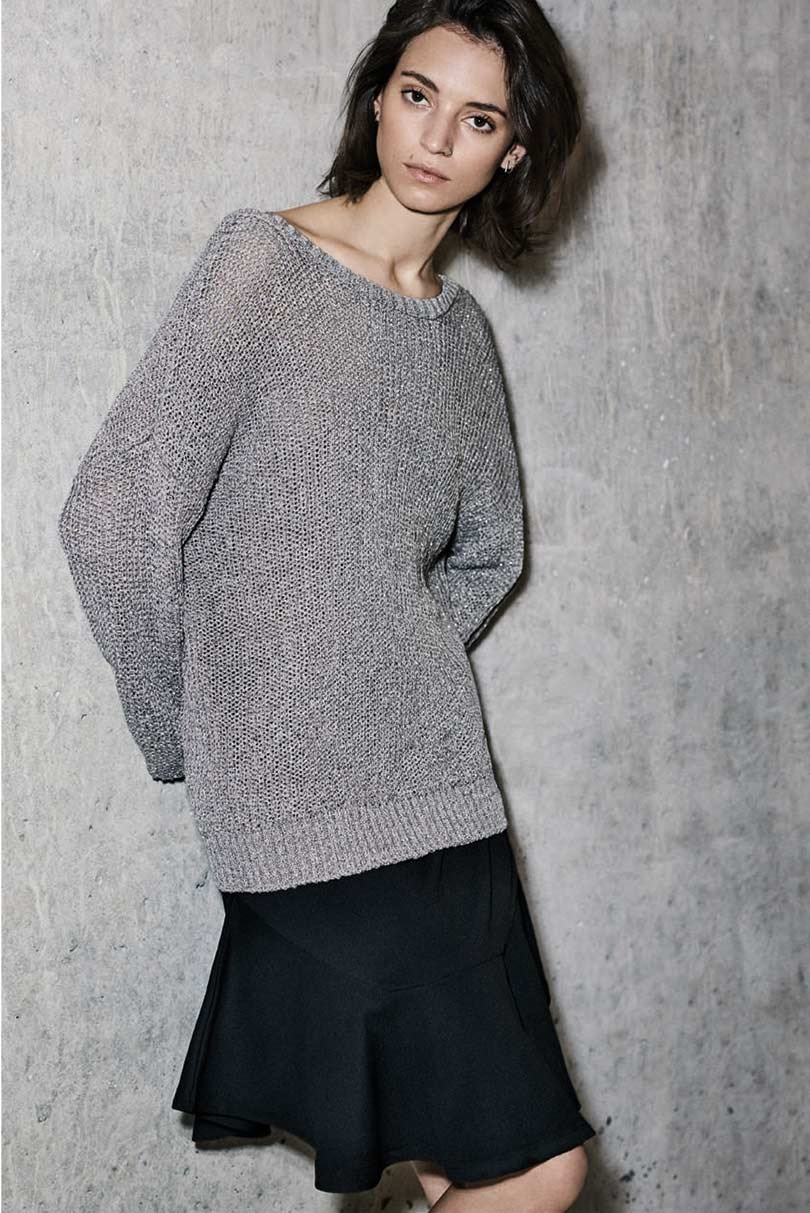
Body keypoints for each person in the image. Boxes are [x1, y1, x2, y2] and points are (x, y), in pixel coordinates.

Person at [58, 2, 594, 1208]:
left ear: (513, 149)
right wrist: (188, 719)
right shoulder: (262, 265)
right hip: (305, 804)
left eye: (478, 119)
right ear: (377, 96)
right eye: (417, 95)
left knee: (473, 1167)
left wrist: (380, 653)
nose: (435, 137)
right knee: (541, 1172)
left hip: (445, 791)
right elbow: (115, 512)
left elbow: (489, 554)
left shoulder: (460, 336)